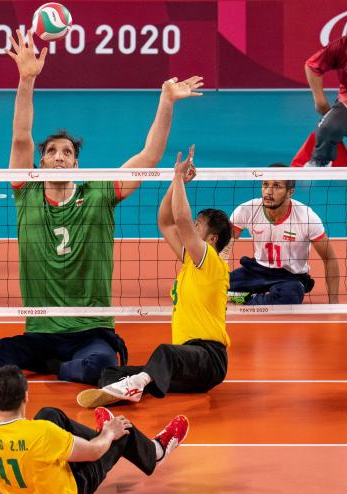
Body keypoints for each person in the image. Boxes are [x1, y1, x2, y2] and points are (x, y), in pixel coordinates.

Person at [0, 29, 203, 390]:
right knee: (1, 355)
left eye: (67, 152)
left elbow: (149, 157)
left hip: (91, 327)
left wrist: (166, 102)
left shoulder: (99, 193)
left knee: (98, 365)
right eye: (51, 152)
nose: (59, 157)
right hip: (41, 326)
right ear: (41, 162)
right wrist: (26, 79)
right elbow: (21, 137)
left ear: (77, 165)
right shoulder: (25, 192)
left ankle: (61, 368)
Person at [77, 147, 232, 408]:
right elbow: (165, 222)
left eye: (199, 226)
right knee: (109, 373)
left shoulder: (212, 263)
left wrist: (179, 179)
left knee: (165, 353)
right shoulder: (191, 262)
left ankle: (135, 387)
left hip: (208, 359)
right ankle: (129, 385)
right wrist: (176, 182)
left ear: (212, 239)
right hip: (188, 366)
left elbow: (181, 219)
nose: (192, 228)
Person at [0, 365, 189, 494]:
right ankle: (155, 452)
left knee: (50, 414)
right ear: (26, 395)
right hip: (69, 493)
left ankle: (103, 434)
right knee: (120, 432)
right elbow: (94, 452)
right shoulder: (41, 433)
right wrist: (108, 434)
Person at [226, 168, 339, 305]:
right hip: (257, 270)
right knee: (217, 286)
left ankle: (245, 298)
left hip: (290, 277)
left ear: (290, 192)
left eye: (277, 186)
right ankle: (258, 298)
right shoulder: (246, 210)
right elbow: (224, 246)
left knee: (290, 297)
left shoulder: (307, 217)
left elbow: (329, 258)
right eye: (265, 184)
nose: (268, 191)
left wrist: (334, 304)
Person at [304, 35, 347, 167]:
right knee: (328, 128)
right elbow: (312, 66)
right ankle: (320, 162)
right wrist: (320, 101)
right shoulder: (342, 46)